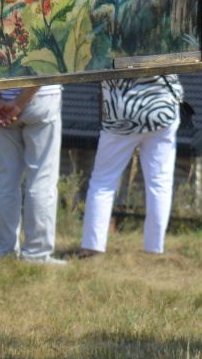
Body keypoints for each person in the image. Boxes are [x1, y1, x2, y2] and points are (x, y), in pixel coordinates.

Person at [79, 74, 184, 257]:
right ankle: (154, 248)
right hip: (161, 107)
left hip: (119, 110)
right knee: (160, 181)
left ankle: (92, 247)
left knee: (103, 181)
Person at [0, 83, 64, 264]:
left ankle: (3, 252)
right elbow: (45, 66)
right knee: (42, 177)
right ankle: (36, 253)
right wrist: (20, 102)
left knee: (6, 178)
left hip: (0, 97)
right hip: (42, 97)